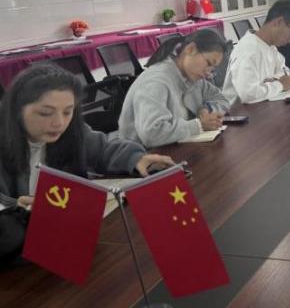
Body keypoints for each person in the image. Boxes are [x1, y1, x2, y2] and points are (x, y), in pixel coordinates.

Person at [0, 64, 175, 211]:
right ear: (16, 110)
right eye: (45, 113)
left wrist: (136, 159)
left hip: (67, 219)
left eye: (67, 112)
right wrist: (14, 208)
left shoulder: (72, 130)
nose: (59, 123)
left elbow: (103, 150)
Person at [118, 28, 231, 148]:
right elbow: (151, 133)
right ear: (191, 49)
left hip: (175, 147)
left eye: (212, 69)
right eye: (208, 63)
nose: (208, 74)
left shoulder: (194, 78)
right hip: (145, 155)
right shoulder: (156, 82)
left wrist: (207, 109)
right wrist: (199, 125)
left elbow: (222, 99)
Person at [223, 0, 290, 104]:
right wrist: (280, 84)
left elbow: (284, 71)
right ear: (279, 22)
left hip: (261, 107)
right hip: (239, 111)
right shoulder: (248, 49)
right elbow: (248, 94)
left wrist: (274, 80)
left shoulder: (270, 47)